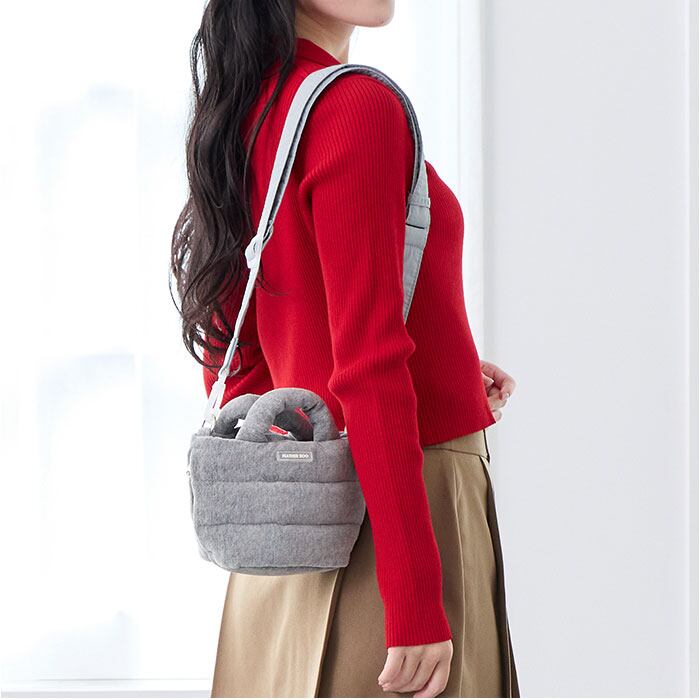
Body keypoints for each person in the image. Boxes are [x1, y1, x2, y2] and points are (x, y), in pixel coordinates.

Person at [170, 0, 519, 697]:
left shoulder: (245, 111)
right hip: (397, 517)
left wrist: (446, 369)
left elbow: (236, 351)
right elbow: (368, 364)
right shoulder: (356, 108)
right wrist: (413, 600)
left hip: (283, 545)